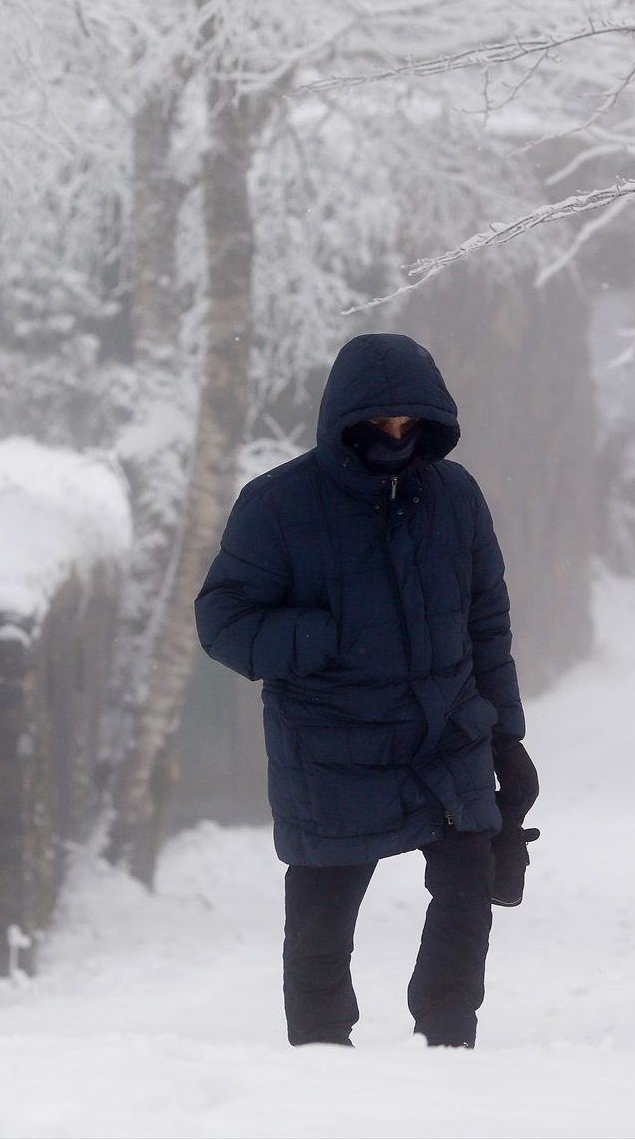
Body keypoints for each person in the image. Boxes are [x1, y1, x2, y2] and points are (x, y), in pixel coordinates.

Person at [194, 332, 540, 1049]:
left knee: (469, 889)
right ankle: (322, 1060)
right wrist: (323, 637)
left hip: (447, 735)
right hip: (330, 747)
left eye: (410, 425)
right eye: (379, 425)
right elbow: (222, 620)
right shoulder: (279, 506)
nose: (394, 437)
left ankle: (448, 1041)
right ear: (342, 421)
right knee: (321, 923)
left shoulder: (455, 497)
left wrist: (507, 738)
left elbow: (486, 623)